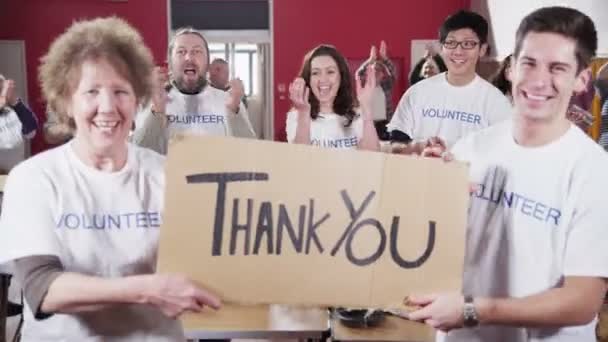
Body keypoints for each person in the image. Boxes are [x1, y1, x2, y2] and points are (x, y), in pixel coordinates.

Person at [0, 17, 221, 341]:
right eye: (91, 91)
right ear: (66, 101)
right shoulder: (34, 179)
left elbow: (210, 259)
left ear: (137, 99)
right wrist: (146, 289)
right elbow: (41, 287)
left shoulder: (169, 174)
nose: (108, 107)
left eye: (121, 91)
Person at [404, 7, 608, 342]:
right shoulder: (471, 148)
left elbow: (581, 302)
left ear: (582, 79)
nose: (539, 80)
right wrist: (430, 186)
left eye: (557, 68)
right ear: (511, 68)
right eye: (529, 63)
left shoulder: (594, 172)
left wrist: (472, 310)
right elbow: (438, 238)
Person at [387, 10, 512, 154]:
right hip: (419, 175)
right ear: (441, 47)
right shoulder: (417, 93)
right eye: (451, 43)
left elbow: (503, 157)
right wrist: (418, 146)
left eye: (468, 43)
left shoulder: (496, 102)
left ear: (482, 49)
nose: (458, 51)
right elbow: (395, 146)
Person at [131, 27, 255, 154]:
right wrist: (157, 111)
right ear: (170, 64)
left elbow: (250, 154)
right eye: (181, 52)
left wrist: (234, 112)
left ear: (207, 64)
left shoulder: (230, 101)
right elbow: (139, 156)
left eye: (197, 51)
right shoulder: (151, 101)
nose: (189, 58)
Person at [286, 44, 380, 151]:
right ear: (309, 79)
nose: (323, 79)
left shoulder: (357, 115)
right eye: (315, 73)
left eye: (330, 72)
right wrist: (303, 113)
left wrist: (366, 107)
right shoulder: (296, 116)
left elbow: (372, 157)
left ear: (341, 76)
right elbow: (299, 160)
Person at [356, 41, 397, 140]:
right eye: (374, 70)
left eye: (379, 70)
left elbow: (393, 72)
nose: (376, 72)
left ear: (383, 74)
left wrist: (384, 58)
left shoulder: (386, 86)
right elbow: (358, 74)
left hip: (384, 124)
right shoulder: (365, 86)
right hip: (369, 123)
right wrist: (370, 60)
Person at [0, 75, 38, 173]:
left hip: (14, 174)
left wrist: (15, 101)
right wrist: (3, 98)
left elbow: (31, 131)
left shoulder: (12, 112)